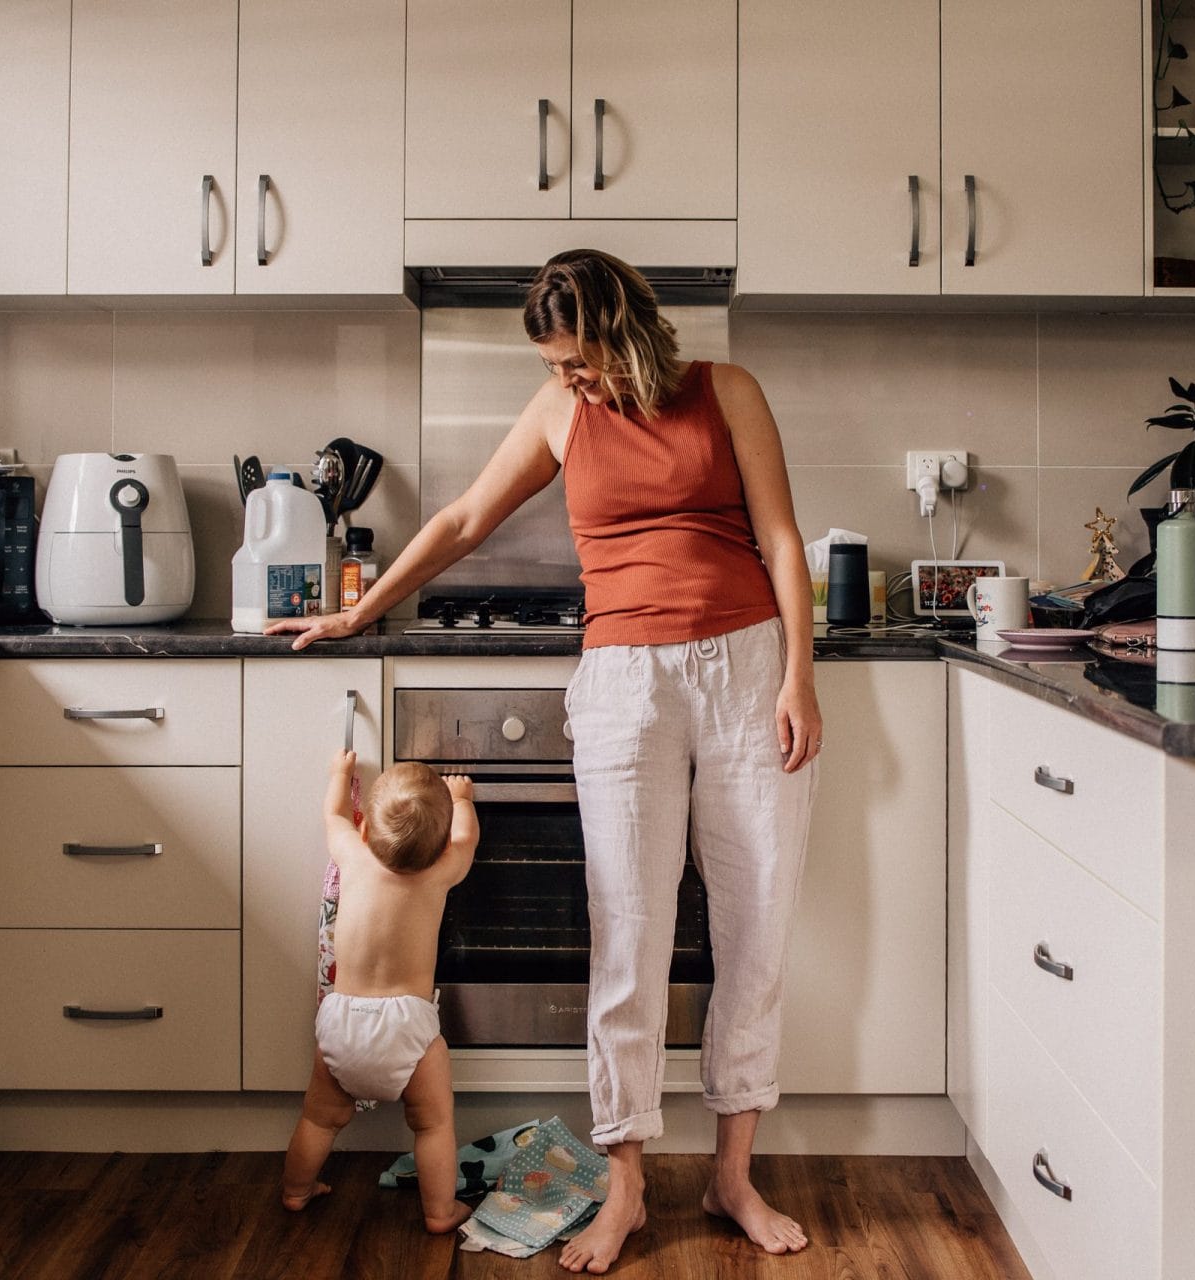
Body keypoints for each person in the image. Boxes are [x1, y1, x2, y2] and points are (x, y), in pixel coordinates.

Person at [268, 249, 821, 1274]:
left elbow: (783, 540)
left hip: (744, 671)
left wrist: (800, 675)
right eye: (555, 365)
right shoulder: (561, 412)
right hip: (622, 683)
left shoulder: (726, 391)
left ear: (627, 330)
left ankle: (733, 1174)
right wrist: (363, 607)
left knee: (759, 923)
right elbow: (465, 520)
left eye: (579, 360)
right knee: (629, 934)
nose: (567, 380)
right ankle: (627, 1187)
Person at [280, 752, 480, 1235]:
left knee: (319, 1119)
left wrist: (340, 775)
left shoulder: (352, 855)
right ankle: (439, 1212)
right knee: (432, 1125)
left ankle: (295, 1190)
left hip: (341, 1018)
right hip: (407, 1026)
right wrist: (462, 800)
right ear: (437, 849)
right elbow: (466, 839)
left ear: (365, 830)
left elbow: (332, 816)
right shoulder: (441, 872)